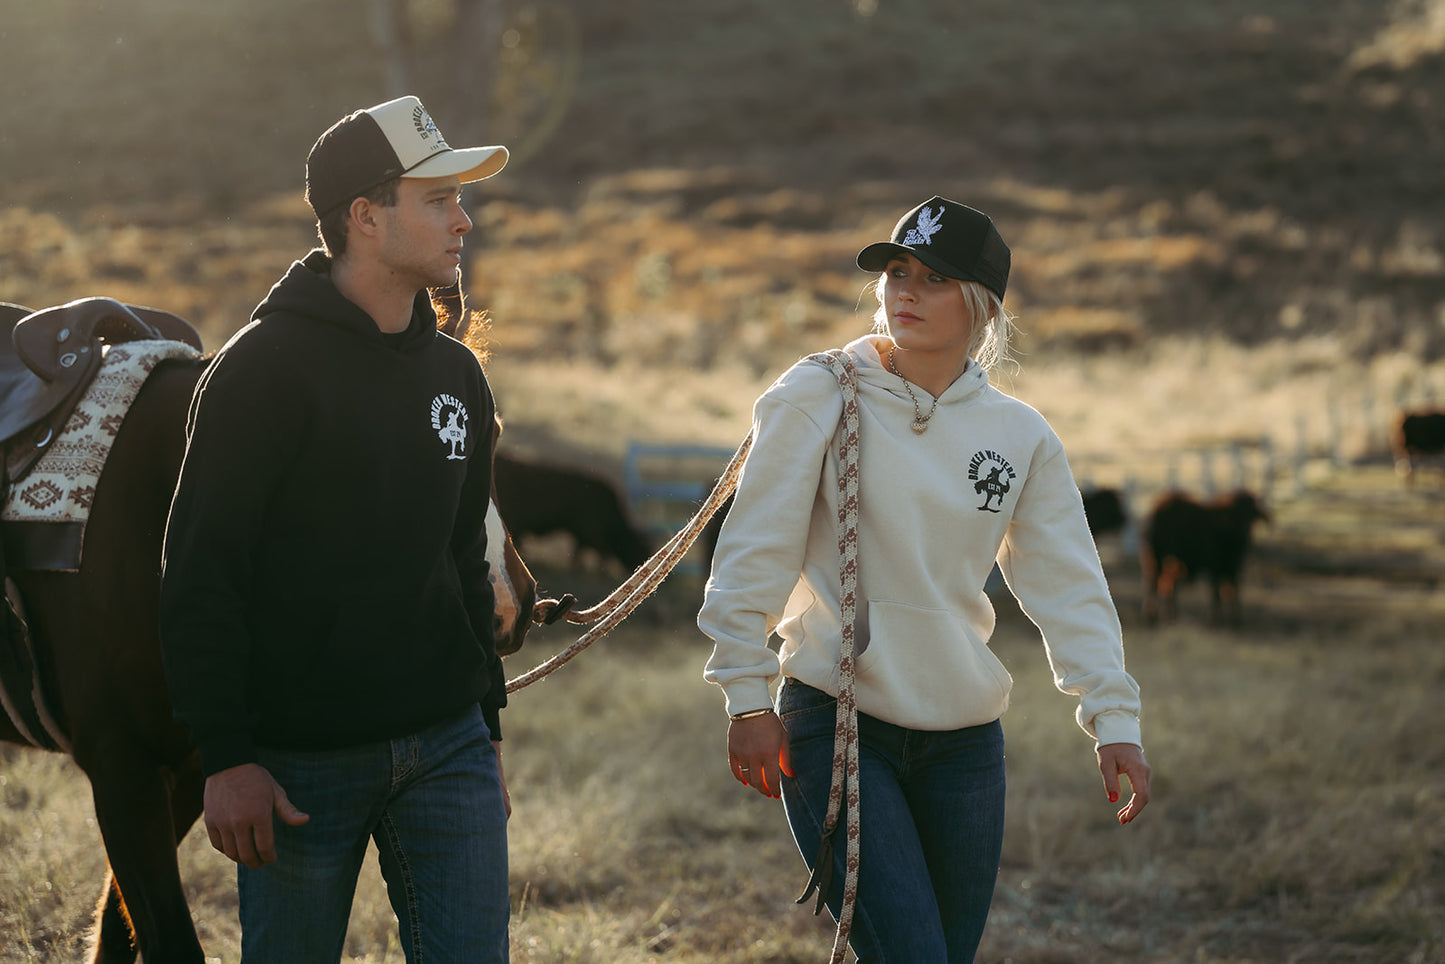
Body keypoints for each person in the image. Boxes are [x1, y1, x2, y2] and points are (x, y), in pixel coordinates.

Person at [698, 196, 1151, 963]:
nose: (904, 291)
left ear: (982, 306)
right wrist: (743, 691)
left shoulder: (1020, 436)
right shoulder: (819, 394)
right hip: (835, 723)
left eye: (934, 278)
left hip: (965, 744)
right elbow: (755, 548)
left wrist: (1114, 717)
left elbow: (1068, 584)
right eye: (896, 272)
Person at [159, 95, 514, 963]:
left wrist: (487, 732)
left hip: (449, 748)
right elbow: (200, 579)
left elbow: (464, 560)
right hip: (297, 767)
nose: (463, 220)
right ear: (364, 216)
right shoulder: (259, 375)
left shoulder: (456, 373)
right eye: (438, 200)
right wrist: (227, 759)